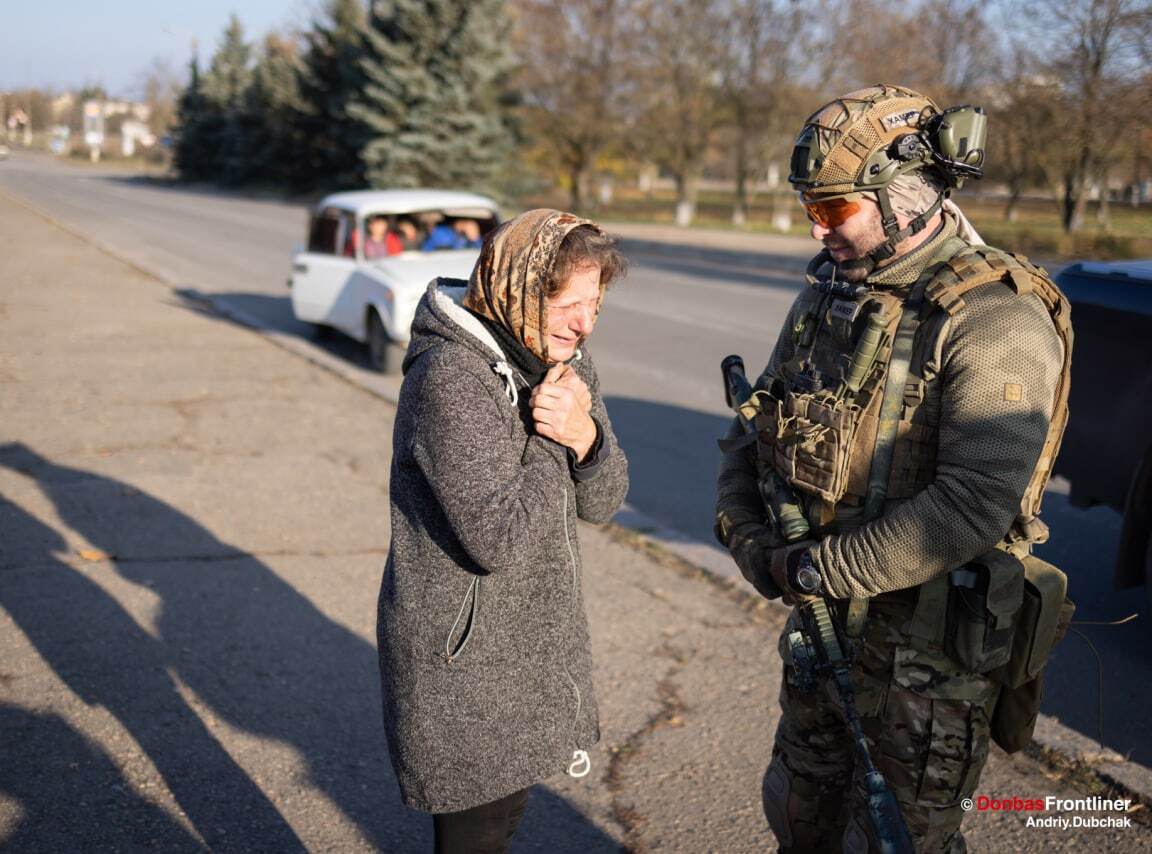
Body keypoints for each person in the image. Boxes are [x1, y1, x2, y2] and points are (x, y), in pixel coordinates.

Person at [715, 84, 1072, 852]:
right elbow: (753, 433)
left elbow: (971, 507)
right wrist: (744, 533)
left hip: (922, 674)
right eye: (811, 206)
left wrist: (810, 569)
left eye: (833, 208)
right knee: (799, 819)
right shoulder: (829, 296)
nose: (816, 226)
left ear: (905, 198)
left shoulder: (995, 317)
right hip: (819, 636)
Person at [377, 209, 629, 853]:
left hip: (529, 652)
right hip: (464, 666)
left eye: (594, 303)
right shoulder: (451, 379)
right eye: (568, 304)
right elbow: (499, 539)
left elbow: (604, 502)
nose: (584, 323)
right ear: (515, 289)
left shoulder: (562, 362)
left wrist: (588, 438)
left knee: (502, 827)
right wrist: (554, 439)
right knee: (476, 838)